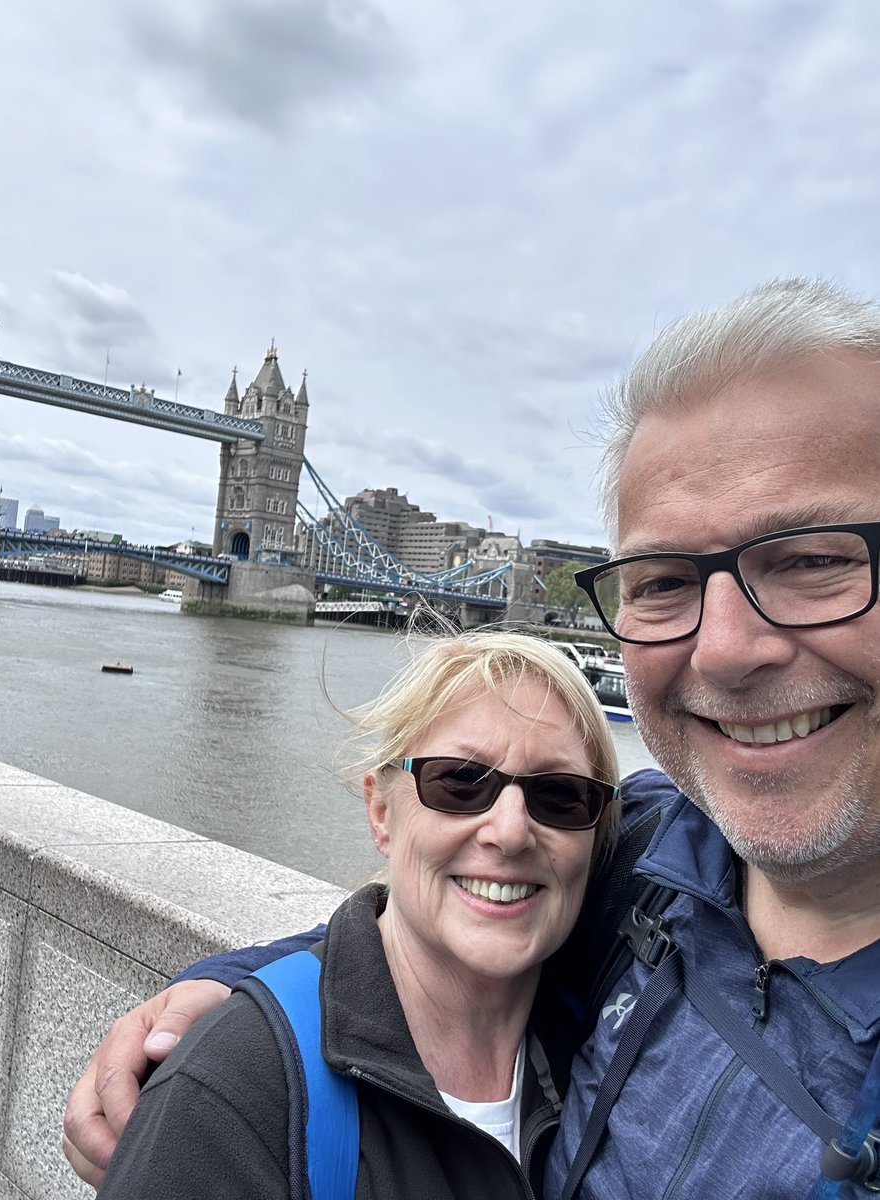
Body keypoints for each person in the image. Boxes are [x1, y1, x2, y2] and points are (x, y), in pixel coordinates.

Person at [65, 277, 880, 1198]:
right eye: (661, 583)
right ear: (381, 801)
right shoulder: (648, 860)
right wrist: (226, 1004)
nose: (726, 651)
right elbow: (431, 933)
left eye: (816, 560)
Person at [92, 629, 621, 1198]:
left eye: (562, 795)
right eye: (461, 782)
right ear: (380, 813)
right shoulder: (237, 1086)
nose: (512, 831)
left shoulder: (612, 1050)